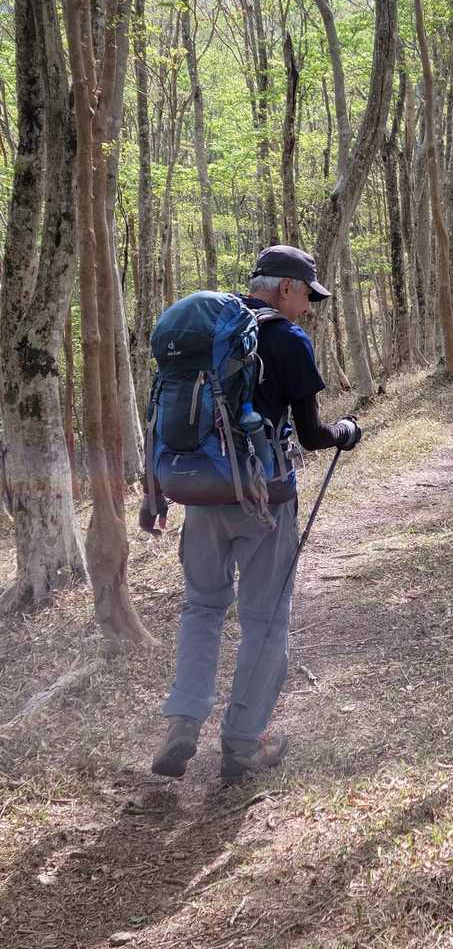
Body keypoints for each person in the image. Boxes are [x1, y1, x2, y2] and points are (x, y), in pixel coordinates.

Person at [151, 245, 362, 784]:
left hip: (201, 495)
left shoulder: (208, 334)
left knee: (202, 608)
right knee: (264, 619)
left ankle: (183, 721)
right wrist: (346, 431)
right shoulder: (288, 339)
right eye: (307, 296)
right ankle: (243, 741)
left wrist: (154, 492)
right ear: (286, 287)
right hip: (264, 501)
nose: (307, 308)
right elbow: (312, 435)